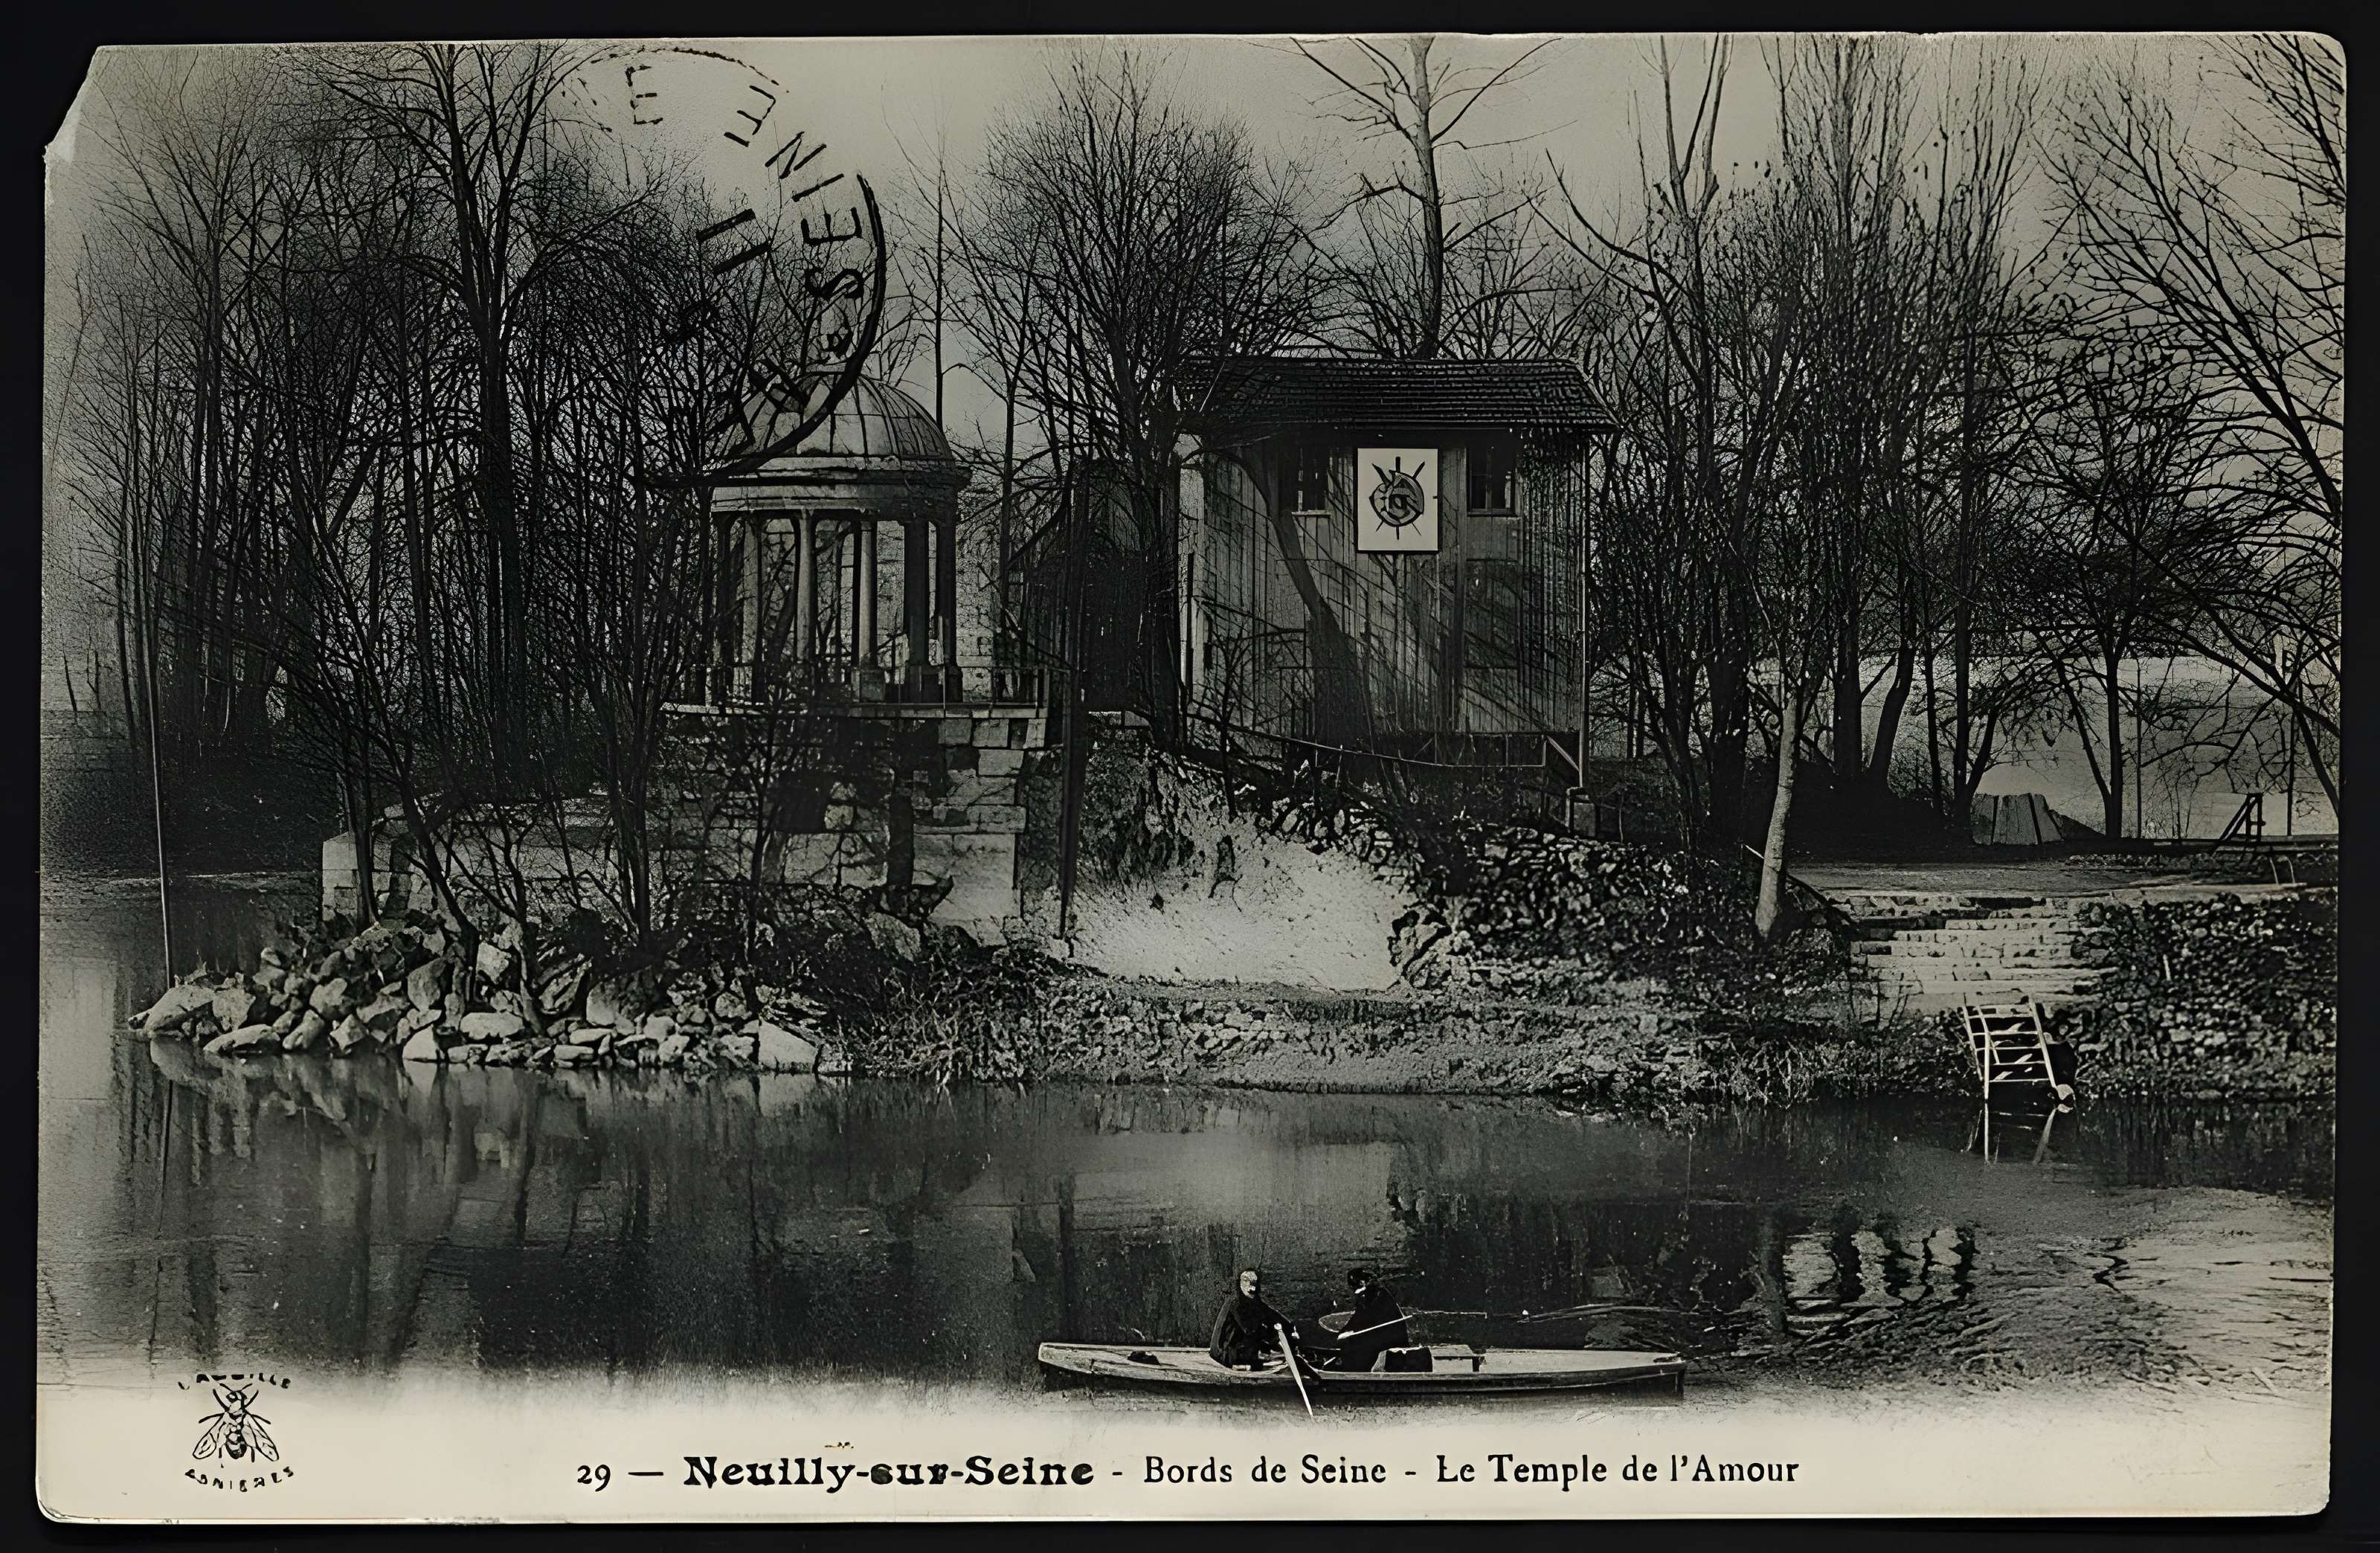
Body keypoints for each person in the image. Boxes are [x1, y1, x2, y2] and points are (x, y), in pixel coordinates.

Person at [1312, 1268, 1412, 1373]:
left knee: (1356, 1349)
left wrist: (1348, 1333)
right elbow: (1358, 1317)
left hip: (1387, 1342)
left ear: (1363, 1281)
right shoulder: (1370, 1294)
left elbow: (1366, 1318)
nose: (1352, 1288)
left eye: (1354, 1283)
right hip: (1379, 1338)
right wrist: (1343, 1332)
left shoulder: (1377, 1294)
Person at [1208, 1268, 1296, 1369]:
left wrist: (1289, 1327)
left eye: (1253, 1281)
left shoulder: (1253, 1300)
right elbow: (1249, 1328)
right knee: (1258, 1337)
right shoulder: (1236, 1303)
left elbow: (1270, 1313)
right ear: (1240, 1283)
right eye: (1245, 1280)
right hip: (1226, 1352)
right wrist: (1273, 1336)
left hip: (1240, 1348)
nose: (1249, 1284)